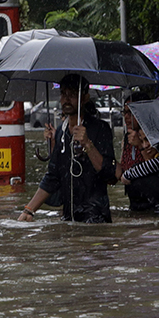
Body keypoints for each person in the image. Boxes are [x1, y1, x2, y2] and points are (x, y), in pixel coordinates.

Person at [18, 74, 116, 223]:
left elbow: (110, 175)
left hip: (96, 218)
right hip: (69, 216)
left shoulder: (100, 129)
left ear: (85, 98)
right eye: (63, 94)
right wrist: (29, 209)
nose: (66, 99)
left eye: (72, 95)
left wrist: (88, 145)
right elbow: (53, 176)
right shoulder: (61, 132)